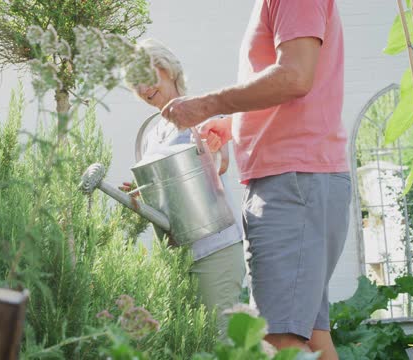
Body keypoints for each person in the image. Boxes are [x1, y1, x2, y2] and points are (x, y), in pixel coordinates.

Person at [160, 1, 350, 359]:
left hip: (291, 184)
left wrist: (206, 104)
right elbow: (295, 83)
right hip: (301, 180)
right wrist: (234, 125)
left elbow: (294, 76)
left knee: (279, 340)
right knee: (311, 336)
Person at [122, 38, 246, 335]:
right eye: (135, 85)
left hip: (215, 245)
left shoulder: (199, 110)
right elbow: (165, 194)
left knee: (223, 341)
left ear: (166, 69)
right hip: (180, 253)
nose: (143, 89)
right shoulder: (153, 135)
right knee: (194, 344)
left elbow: (221, 160)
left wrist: (213, 147)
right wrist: (142, 192)